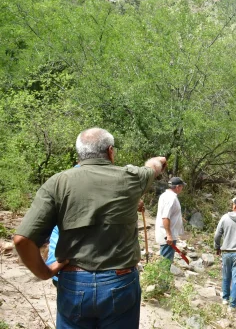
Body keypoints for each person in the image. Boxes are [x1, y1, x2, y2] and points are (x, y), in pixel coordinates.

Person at [13, 127, 166, 329]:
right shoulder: (133, 177)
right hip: (119, 283)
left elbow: (22, 240)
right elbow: (157, 163)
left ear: (80, 153)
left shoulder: (57, 183)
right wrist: (156, 162)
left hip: (74, 281)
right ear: (110, 151)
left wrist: (44, 272)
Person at [155, 177, 186, 262]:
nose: (182, 189)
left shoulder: (165, 195)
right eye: (182, 186)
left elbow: (169, 213)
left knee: (166, 260)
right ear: (177, 187)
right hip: (168, 236)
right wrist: (168, 235)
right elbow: (165, 217)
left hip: (168, 234)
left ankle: (163, 274)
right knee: (166, 262)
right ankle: (163, 275)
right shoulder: (171, 198)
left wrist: (180, 218)